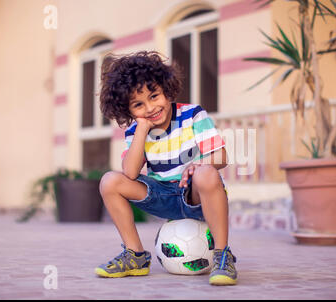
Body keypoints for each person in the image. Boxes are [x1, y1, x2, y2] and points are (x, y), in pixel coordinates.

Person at [96, 51, 237, 285]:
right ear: (127, 110)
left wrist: (198, 164)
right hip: (163, 197)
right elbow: (130, 173)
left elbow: (221, 155)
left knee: (206, 172)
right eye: (138, 105)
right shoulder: (135, 131)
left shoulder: (192, 115)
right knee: (110, 181)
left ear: (166, 89)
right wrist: (141, 129)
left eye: (154, 96)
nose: (150, 108)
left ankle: (223, 256)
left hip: (195, 194)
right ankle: (136, 256)